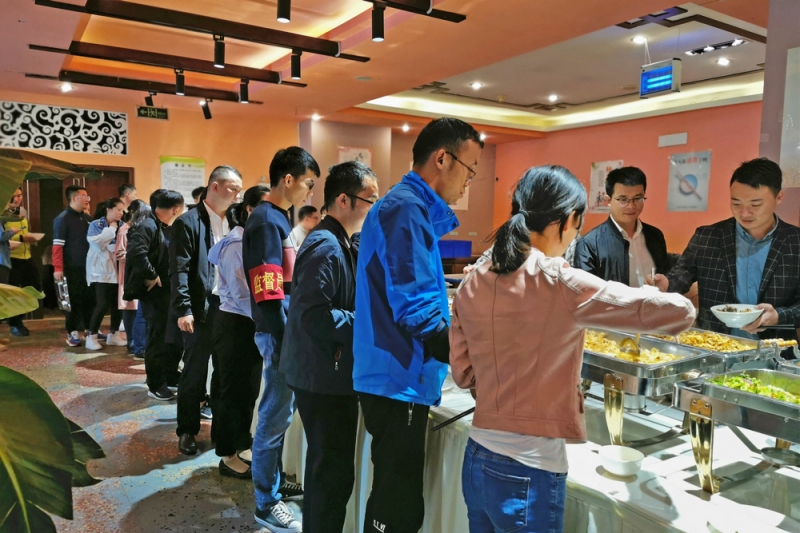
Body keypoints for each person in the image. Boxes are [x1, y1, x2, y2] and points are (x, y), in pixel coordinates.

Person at [451, 166, 696, 533]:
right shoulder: (560, 281)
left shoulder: (475, 277)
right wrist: (651, 290)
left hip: (477, 457)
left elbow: (463, 374)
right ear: (568, 220)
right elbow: (680, 312)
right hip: (531, 465)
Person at [352, 117, 483, 533]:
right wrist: (474, 361)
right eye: (470, 169)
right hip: (397, 376)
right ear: (442, 158)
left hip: (397, 374)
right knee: (398, 506)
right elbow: (418, 312)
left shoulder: (409, 207)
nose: (468, 182)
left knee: (395, 495)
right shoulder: (405, 208)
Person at [281, 161, 379, 533]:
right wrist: (367, 322)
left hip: (328, 371)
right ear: (343, 199)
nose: (373, 207)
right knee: (330, 474)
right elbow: (311, 315)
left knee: (332, 471)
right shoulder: (325, 245)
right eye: (369, 199)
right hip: (322, 375)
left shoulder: (342, 241)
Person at [243, 146, 320, 533]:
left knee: (278, 416)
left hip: (284, 332)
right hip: (279, 335)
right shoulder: (266, 221)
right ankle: (265, 502)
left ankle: (271, 485)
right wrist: (288, 339)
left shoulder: (274, 217)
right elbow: (268, 292)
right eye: (308, 183)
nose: (310, 191)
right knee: (273, 419)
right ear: (288, 179)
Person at [652, 157, 800, 342]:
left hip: (775, 350)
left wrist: (778, 316)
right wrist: (666, 284)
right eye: (736, 203)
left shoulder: (795, 242)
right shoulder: (708, 236)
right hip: (715, 346)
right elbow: (681, 275)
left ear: (779, 197)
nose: (744, 213)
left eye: (755, 204)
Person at [171, 166, 242, 455]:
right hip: (201, 306)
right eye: (233, 188)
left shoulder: (236, 220)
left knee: (225, 371)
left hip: (231, 307)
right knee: (194, 370)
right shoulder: (188, 221)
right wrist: (184, 308)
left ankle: (220, 429)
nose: (237, 194)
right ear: (214, 187)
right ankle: (187, 430)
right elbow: (179, 269)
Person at [209, 185, 270, 479]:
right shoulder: (236, 244)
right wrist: (270, 320)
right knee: (231, 393)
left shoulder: (254, 239)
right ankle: (227, 456)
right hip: (236, 323)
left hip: (250, 322)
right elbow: (242, 294)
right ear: (249, 209)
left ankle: (240, 444)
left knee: (248, 391)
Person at [126, 190, 185, 400]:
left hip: (168, 292)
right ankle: (155, 383)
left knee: (172, 336)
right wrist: (152, 275)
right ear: (176, 209)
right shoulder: (148, 225)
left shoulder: (163, 225)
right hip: (155, 293)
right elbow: (135, 252)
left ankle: (170, 375)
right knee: (157, 337)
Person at [574, 166, 669, 287]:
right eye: (623, 199)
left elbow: (664, 275)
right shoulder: (589, 244)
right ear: (608, 200)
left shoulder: (655, 236)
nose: (631, 206)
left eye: (638, 198)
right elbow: (584, 292)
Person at [85, 198, 127, 350]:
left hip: (119, 268)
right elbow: (98, 244)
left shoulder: (123, 225)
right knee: (102, 304)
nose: (121, 213)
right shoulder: (96, 225)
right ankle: (91, 336)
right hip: (101, 270)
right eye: (118, 210)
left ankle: (114, 335)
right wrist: (111, 230)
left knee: (118, 304)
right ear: (108, 209)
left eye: (122, 210)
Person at [53, 185, 93, 347]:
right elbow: (57, 247)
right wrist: (58, 268)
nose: (87, 199)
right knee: (72, 301)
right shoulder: (62, 219)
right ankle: (72, 333)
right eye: (84, 196)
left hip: (89, 268)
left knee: (89, 299)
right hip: (71, 268)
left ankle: (91, 331)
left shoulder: (87, 219)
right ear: (74, 198)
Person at [3, 187, 40, 336]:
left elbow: (26, 230)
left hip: (26, 256)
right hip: (10, 258)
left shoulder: (23, 212)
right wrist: (20, 238)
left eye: (19, 195)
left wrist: (31, 238)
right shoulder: (2, 214)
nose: (17, 199)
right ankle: (15, 323)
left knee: (35, 288)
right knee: (12, 292)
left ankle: (16, 318)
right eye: (14, 196)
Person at [116, 199, 149, 358]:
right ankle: (132, 341)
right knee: (130, 309)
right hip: (129, 273)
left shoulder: (140, 228)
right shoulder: (125, 230)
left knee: (138, 309)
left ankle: (138, 342)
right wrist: (137, 254)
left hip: (139, 272)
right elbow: (119, 253)